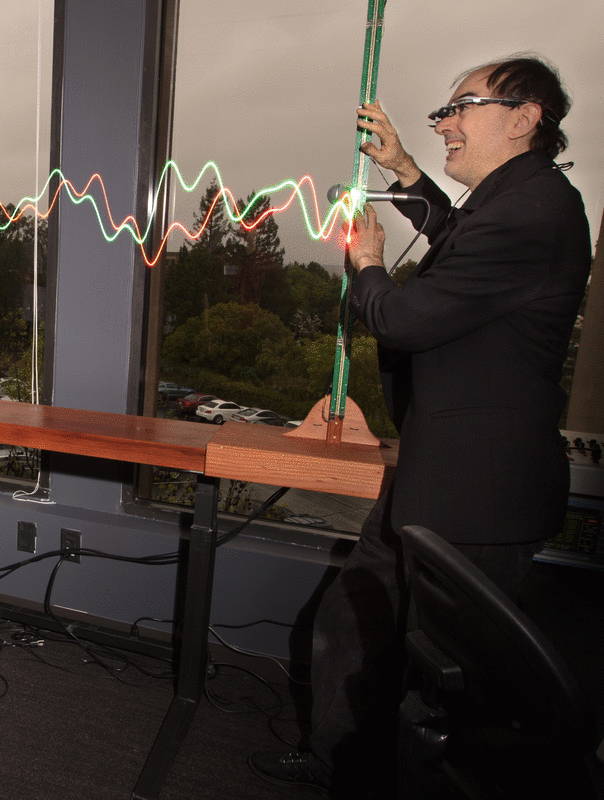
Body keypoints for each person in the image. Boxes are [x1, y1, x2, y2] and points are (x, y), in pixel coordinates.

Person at [250, 55, 591, 798]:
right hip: (436, 475)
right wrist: (403, 168)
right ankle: (338, 763)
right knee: (357, 618)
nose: (444, 123)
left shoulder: (535, 211)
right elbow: (458, 235)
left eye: (462, 106)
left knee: (442, 679)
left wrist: (369, 264)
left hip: (479, 495)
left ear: (524, 117)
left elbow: (403, 319)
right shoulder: (517, 200)